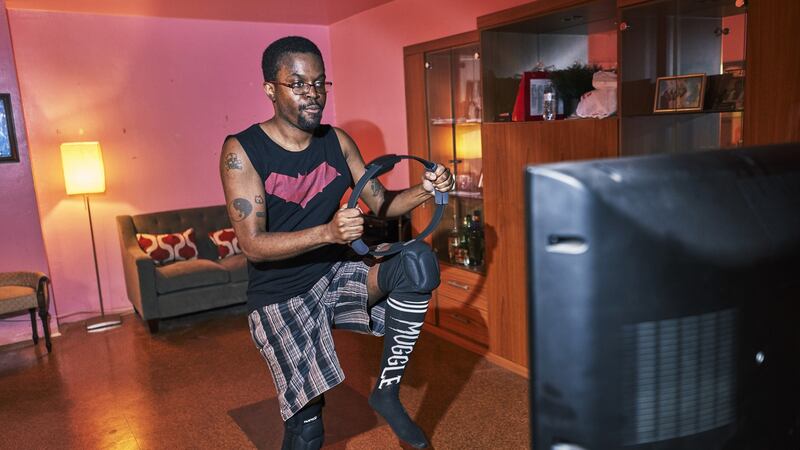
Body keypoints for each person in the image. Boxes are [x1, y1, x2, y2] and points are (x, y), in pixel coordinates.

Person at [219, 36, 454, 449]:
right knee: (308, 425)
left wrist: (426, 188)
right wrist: (328, 232)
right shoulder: (242, 150)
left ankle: (387, 391)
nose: (312, 95)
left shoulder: (338, 142)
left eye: (319, 83)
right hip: (279, 296)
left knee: (418, 262)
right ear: (270, 90)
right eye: (298, 84)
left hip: (334, 276)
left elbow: (381, 204)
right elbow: (252, 245)